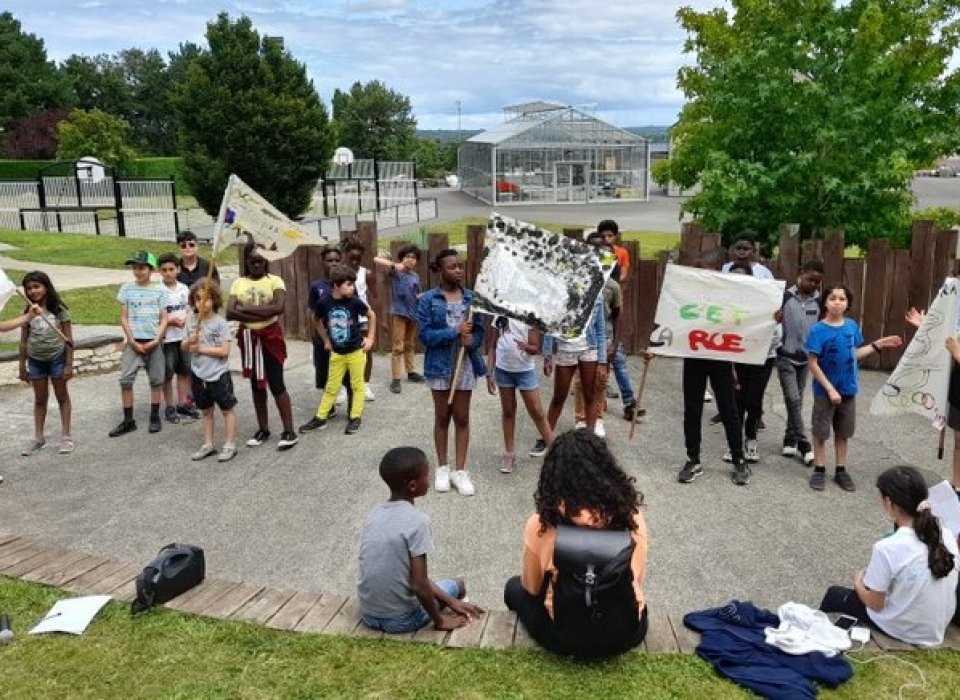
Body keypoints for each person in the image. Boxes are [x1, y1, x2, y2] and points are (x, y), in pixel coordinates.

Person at [504, 430, 648, 657]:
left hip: (564, 636)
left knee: (512, 588)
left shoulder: (541, 524)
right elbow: (635, 578)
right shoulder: (632, 515)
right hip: (626, 633)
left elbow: (531, 588)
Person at [819, 465, 958, 647]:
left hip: (905, 630)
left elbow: (876, 604)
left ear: (889, 502)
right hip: (936, 627)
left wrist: (858, 583)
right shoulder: (946, 533)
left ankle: (818, 637)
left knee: (834, 594)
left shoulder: (887, 547)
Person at [358, 446, 485, 633]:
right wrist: (439, 620)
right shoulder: (417, 522)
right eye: (427, 475)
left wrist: (450, 601)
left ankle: (454, 604)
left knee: (444, 592)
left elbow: (411, 578)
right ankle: (462, 612)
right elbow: (419, 583)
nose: (430, 478)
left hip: (368, 615)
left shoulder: (373, 514)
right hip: (402, 620)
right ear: (412, 486)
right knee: (457, 585)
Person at [806, 284, 902, 491]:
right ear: (825, 302)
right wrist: (830, 389)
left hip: (848, 389)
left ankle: (841, 470)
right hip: (825, 392)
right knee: (821, 432)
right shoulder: (817, 330)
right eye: (832, 298)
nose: (837, 302)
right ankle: (819, 469)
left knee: (843, 432)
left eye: (842, 299)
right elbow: (812, 363)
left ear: (848, 303)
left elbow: (854, 354)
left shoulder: (851, 326)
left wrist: (879, 344)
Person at [417, 249, 486, 496]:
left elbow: (479, 332)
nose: (458, 270)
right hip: (439, 365)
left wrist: (472, 341)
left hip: (464, 364)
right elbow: (424, 336)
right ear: (440, 270)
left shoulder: (471, 299)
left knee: (463, 418)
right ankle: (443, 467)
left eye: (460, 266)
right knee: (442, 417)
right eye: (452, 267)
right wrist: (454, 332)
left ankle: (461, 470)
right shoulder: (428, 300)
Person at [678, 249, 749, 486]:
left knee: (728, 408)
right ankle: (693, 459)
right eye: (698, 271)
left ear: (719, 271)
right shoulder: (688, 293)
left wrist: (773, 317)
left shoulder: (729, 295)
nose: (701, 275)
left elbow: (750, 316)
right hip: (694, 356)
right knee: (692, 408)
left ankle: (739, 458)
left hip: (720, 357)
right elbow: (673, 318)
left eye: (706, 271)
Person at [227, 243, 298, 451]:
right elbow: (230, 312)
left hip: (270, 337)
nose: (256, 264)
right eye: (252, 261)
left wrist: (245, 308)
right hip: (249, 338)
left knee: (277, 383)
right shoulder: (238, 283)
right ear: (247, 262)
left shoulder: (275, 281)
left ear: (266, 260)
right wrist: (264, 311)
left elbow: (278, 307)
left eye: (260, 260)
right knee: (257, 385)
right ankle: (263, 429)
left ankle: (289, 430)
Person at [300, 264, 376, 435]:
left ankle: (355, 417)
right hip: (337, 353)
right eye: (348, 284)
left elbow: (371, 315)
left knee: (357, 386)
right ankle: (320, 417)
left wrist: (370, 338)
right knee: (331, 387)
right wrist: (326, 339)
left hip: (356, 352)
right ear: (336, 285)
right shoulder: (324, 302)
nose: (352, 288)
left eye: (353, 284)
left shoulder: (354, 301)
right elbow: (315, 318)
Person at [542, 246, 607, 436]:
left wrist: (602, 361)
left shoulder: (597, 295)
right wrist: (547, 355)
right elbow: (549, 326)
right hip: (566, 348)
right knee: (559, 397)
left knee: (590, 395)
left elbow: (600, 330)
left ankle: (589, 437)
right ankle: (546, 437)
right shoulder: (559, 293)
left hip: (589, 348)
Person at [724, 261, 780, 464]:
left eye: (743, 276)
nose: (739, 280)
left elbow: (776, 329)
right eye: (734, 276)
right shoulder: (725, 302)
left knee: (754, 401)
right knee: (736, 399)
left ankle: (751, 438)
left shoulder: (767, 300)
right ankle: (734, 443)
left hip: (763, 357)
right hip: (736, 357)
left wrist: (776, 320)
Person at [110, 251, 168, 437]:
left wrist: (157, 339)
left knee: (156, 380)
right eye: (135, 268)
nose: (138, 271)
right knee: (126, 380)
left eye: (142, 267)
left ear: (151, 269)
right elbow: (124, 317)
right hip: (134, 342)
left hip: (153, 341)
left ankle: (154, 416)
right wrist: (131, 340)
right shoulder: (127, 289)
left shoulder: (160, 290)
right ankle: (128, 420)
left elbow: (164, 318)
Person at [486, 315, 554, 472]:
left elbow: (535, 347)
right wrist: (490, 371)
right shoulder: (499, 314)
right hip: (503, 369)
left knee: (537, 411)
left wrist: (526, 347)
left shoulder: (529, 315)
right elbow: (492, 345)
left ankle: (555, 448)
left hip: (524, 371)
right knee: (508, 411)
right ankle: (509, 454)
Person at [17, 272, 73, 455]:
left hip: (57, 359)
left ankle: (66, 436)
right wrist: (21, 365)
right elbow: (24, 341)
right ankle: (39, 438)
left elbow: (69, 340)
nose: (32, 291)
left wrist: (68, 365)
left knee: (62, 397)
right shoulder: (28, 312)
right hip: (36, 361)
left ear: (46, 287)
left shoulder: (60, 311)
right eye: (29, 289)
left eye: (36, 287)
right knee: (40, 400)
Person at [571, 231, 621, 438]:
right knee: (580, 381)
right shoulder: (577, 281)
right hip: (581, 337)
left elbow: (617, 316)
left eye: (600, 249)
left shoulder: (612, 286)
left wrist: (614, 343)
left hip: (603, 336)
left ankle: (598, 417)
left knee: (599, 380)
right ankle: (581, 418)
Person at [182, 281, 237, 462]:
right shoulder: (191, 322)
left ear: (214, 300)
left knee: (226, 409)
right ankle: (208, 444)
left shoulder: (220, 323)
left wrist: (201, 349)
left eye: (206, 299)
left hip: (218, 374)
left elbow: (224, 351)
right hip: (199, 374)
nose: (202, 303)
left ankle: (230, 445)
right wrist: (189, 341)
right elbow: (183, 347)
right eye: (198, 299)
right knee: (206, 411)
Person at [777, 260, 824, 466]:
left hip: (806, 359)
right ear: (800, 273)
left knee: (798, 399)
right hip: (785, 355)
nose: (813, 284)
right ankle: (804, 444)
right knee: (793, 398)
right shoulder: (784, 296)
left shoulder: (820, 301)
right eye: (810, 279)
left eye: (817, 281)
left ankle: (790, 438)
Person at [303, 244, 346, 426]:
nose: (334, 263)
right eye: (330, 260)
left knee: (348, 374)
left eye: (337, 260)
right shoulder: (317, 286)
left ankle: (353, 409)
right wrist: (324, 338)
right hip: (323, 338)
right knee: (324, 372)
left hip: (344, 338)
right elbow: (314, 315)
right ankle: (328, 407)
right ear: (323, 262)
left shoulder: (346, 284)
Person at [598, 219, 637, 417]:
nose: (606, 239)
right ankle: (601, 397)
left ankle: (629, 401)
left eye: (610, 235)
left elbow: (622, 275)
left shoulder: (620, 253)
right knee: (601, 362)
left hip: (613, 304)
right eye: (603, 235)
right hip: (602, 313)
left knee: (617, 359)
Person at [373, 244, 425, 394]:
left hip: (413, 313)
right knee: (398, 347)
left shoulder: (415, 276)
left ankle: (410, 372)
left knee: (410, 345)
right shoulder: (396, 271)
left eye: (414, 257)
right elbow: (376, 259)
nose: (411, 260)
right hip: (399, 313)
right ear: (402, 258)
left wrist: (423, 297)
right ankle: (396, 379)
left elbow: (417, 294)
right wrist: (395, 264)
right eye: (408, 256)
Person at [157, 253, 193, 424]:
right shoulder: (157, 291)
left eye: (171, 269)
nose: (168, 273)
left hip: (183, 336)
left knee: (184, 370)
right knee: (167, 373)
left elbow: (190, 308)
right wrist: (169, 321)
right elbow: (155, 315)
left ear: (178, 269)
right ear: (159, 272)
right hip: (167, 339)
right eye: (164, 270)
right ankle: (169, 406)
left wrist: (187, 318)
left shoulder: (184, 289)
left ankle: (183, 403)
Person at [342, 238, 376, 402]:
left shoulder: (366, 273)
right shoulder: (339, 273)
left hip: (363, 317)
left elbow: (374, 296)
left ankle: (365, 384)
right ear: (346, 256)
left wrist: (376, 317)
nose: (354, 262)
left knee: (366, 351)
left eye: (358, 259)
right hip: (343, 318)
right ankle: (343, 387)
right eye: (351, 258)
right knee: (342, 351)